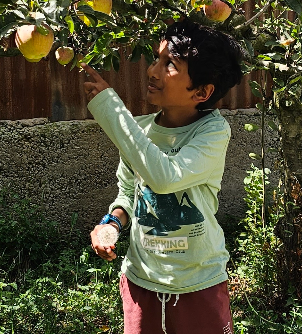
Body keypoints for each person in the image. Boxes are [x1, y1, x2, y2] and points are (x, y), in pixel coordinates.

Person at [81, 19, 245, 334]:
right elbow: (129, 194)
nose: (152, 71)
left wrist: (112, 111)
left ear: (202, 91)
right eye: (157, 58)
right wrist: (112, 224)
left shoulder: (211, 132)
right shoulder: (139, 132)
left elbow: (165, 177)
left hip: (200, 284)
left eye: (169, 64)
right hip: (142, 283)